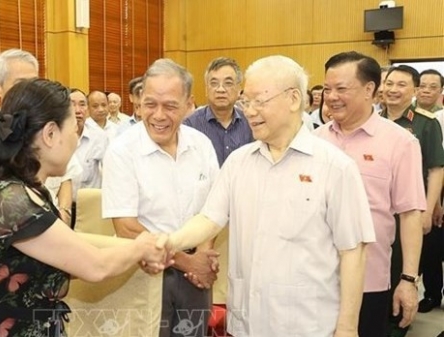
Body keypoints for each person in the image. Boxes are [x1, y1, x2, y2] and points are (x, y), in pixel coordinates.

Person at [161, 55, 375, 337]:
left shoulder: (335, 167)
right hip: (247, 322)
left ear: (294, 99)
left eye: (259, 101)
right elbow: (209, 219)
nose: (249, 111)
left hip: (308, 324)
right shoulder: (239, 162)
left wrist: (347, 328)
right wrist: (166, 243)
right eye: (246, 102)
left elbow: (353, 251)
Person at [0, 78, 167, 337]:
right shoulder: (13, 200)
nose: (76, 139)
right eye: (74, 129)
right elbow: (95, 267)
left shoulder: (21, 188)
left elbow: (59, 259)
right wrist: (141, 246)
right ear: (50, 134)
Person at [102, 58, 220, 337]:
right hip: (145, 273)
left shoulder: (201, 145)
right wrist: (186, 261)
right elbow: (126, 227)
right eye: (150, 104)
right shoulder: (122, 151)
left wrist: (202, 257)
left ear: (189, 104)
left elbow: (213, 209)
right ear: (139, 102)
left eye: (170, 106)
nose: (158, 115)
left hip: (196, 276)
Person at [314, 51, 425, 337]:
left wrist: (408, 280)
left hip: (370, 281)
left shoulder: (400, 142)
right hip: (314, 279)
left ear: (369, 90)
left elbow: (411, 213)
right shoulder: (314, 141)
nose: (331, 96)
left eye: (341, 89)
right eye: (327, 88)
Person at [0, 49, 79, 224]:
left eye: (35, 82)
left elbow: (66, 177)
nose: (30, 90)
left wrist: (64, 215)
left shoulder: (53, 127)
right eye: (21, 83)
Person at [382, 66, 444, 321]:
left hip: (409, 208)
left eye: (401, 85)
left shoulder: (425, 123)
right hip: (380, 206)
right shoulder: (372, 119)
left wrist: (428, 211)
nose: (393, 90)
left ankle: (399, 317)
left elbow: (436, 169)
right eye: (389, 83)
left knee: (404, 265)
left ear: (415, 90)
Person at [183, 57, 253, 166]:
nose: (220, 89)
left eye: (228, 83)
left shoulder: (250, 122)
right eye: (214, 83)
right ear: (206, 89)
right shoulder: (190, 125)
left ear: (239, 89)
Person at [70, 88, 109, 198]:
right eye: (72, 105)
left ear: (87, 109)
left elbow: (109, 172)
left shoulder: (99, 136)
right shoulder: (54, 136)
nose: (78, 110)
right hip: (63, 207)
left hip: (90, 206)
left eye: (82, 104)